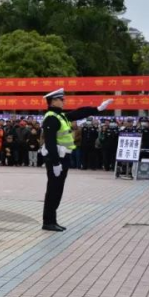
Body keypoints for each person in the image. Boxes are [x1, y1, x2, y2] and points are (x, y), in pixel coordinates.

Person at [41, 88, 112, 232]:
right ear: (54, 101)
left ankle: (52, 220)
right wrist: (55, 163)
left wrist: (98, 108)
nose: (64, 101)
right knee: (53, 190)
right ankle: (48, 222)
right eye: (62, 99)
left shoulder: (60, 116)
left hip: (63, 158)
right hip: (56, 160)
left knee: (58, 190)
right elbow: (49, 142)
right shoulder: (51, 118)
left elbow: (79, 112)